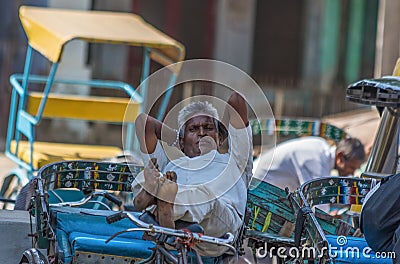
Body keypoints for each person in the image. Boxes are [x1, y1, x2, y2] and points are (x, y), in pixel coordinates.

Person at [132, 92, 253, 258]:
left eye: (208, 128)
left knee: (203, 196)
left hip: (216, 232)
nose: (202, 133)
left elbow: (236, 100)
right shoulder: (174, 164)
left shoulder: (235, 160)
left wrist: (220, 133)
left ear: (220, 138)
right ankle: (159, 202)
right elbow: (144, 123)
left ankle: (163, 207)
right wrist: (178, 138)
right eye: (193, 129)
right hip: (181, 226)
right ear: (182, 141)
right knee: (151, 175)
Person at [252, 136, 366, 192]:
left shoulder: (320, 146)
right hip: (254, 188)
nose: (352, 173)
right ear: (340, 157)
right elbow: (316, 203)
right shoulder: (316, 160)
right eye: (351, 167)